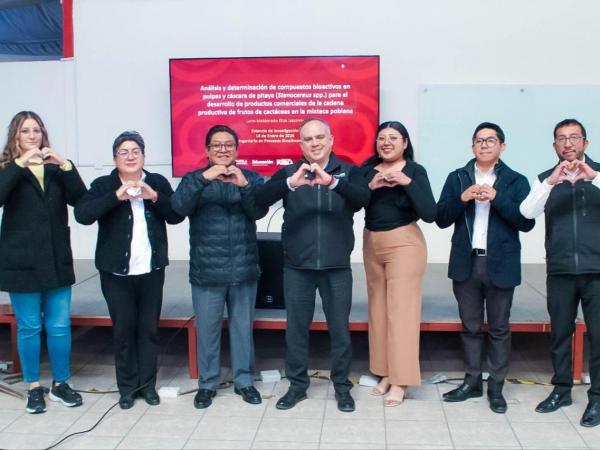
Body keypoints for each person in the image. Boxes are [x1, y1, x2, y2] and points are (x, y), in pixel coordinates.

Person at [254, 117, 370, 412]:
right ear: (301, 144)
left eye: (320, 137)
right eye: (308, 139)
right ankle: (297, 386)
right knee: (295, 331)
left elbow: (363, 199)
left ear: (331, 140)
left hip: (336, 267)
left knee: (340, 332)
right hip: (297, 267)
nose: (315, 143)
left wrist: (332, 182)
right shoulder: (289, 173)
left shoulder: (349, 171)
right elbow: (256, 202)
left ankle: (342, 387)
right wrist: (288, 184)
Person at [74, 131, 183, 409]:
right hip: (115, 274)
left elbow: (176, 215)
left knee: (148, 330)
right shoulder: (103, 184)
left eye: (136, 151)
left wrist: (154, 196)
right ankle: (127, 388)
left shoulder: (156, 182)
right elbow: (83, 215)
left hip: (151, 270)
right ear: (115, 159)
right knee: (124, 331)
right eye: (124, 152)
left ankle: (147, 386)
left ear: (144, 156)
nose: (131, 156)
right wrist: (116, 196)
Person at [436, 122, 534, 413]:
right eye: (479, 140)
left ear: (502, 146)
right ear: (472, 146)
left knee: (499, 328)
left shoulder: (516, 180)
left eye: (491, 140)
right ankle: (472, 382)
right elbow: (440, 217)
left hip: (500, 263)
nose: (484, 145)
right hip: (466, 262)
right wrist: (462, 198)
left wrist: (496, 197)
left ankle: (496, 387)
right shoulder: (457, 177)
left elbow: (525, 222)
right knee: (470, 327)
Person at [171, 125, 268, 409]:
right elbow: (178, 208)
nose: (223, 150)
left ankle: (244, 381)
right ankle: (207, 384)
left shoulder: (251, 178)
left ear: (237, 150)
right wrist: (204, 178)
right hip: (207, 271)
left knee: (242, 329)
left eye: (229, 145)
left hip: (244, 269)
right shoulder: (194, 178)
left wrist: (244, 186)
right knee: (207, 330)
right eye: (217, 145)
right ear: (207, 150)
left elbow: (258, 211)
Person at [0, 111, 86, 414]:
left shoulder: (55, 168)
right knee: (29, 327)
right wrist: (19, 164)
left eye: (36, 130)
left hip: (56, 257)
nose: (32, 135)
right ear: (16, 135)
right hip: (22, 260)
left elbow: (80, 199)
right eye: (26, 131)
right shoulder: (7, 168)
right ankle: (33, 387)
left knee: (60, 326)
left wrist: (65, 165)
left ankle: (61, 384)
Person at [520, 118, 600, 426]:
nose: (568, 143)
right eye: (561, 138)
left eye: (574, 137)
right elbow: (527, 212)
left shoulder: (597, 173)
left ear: (585, 143)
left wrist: (593, 177)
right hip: (560, 270)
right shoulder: (545, 178)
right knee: (560, 334)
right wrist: (550, 182)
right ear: (554, 145)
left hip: (596, 270)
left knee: (598, 335)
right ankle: (562, 390)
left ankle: (597, 398)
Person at [359, 121, 436, 407]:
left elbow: (430, 213)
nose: (386, 142)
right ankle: (386, 373)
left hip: (404, 243)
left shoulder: (415, 171)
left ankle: (401, 380)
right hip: (372, 242)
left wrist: (407, 182)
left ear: (405, 143)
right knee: (378, 311)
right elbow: (354, 203)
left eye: (393, 137)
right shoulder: (366, 170)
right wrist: (371, 185)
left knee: (401, 312)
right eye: (381, 138)